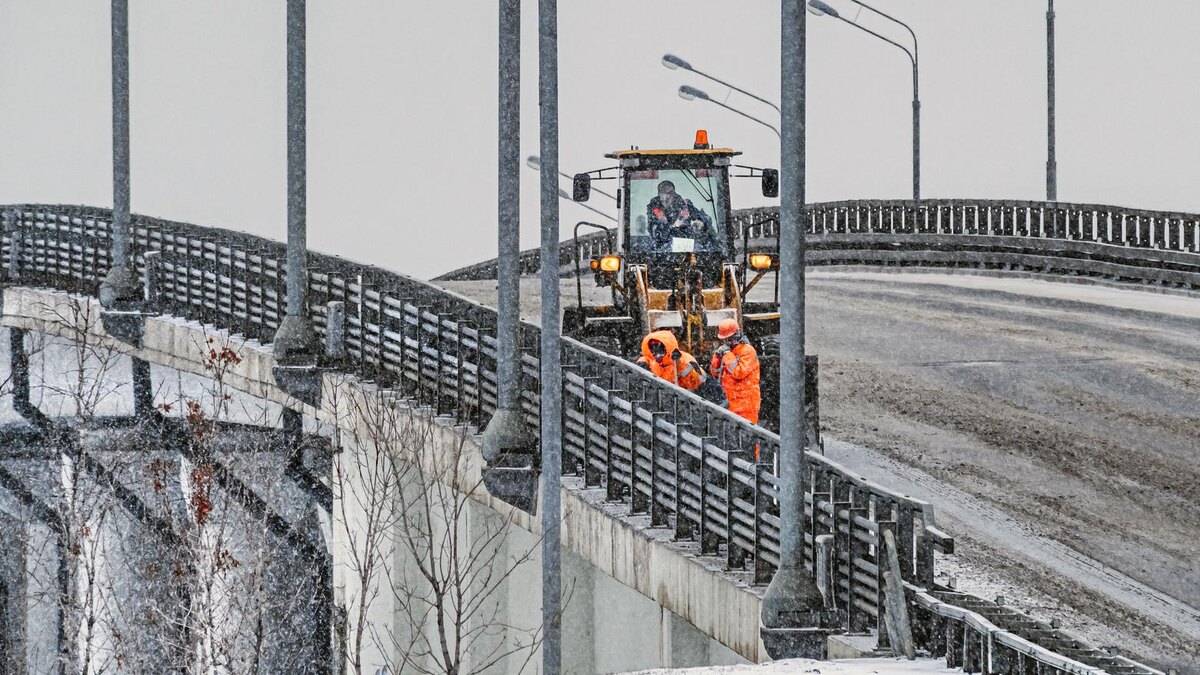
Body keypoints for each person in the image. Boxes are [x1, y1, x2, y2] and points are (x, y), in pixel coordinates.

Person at [708, 318, 761, 425]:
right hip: (730, 402)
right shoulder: (728, 352)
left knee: (747, 437)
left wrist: (727, 355)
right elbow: (715, 373)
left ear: (737, 335)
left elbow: (739, 373)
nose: (727, 342)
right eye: (725, 340)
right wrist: (717, 357)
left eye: (729, 339)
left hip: (746, 405)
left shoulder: (747, 351)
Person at [644, 180, 714, 251]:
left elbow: (706, 219)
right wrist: (672, 225)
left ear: (673, 194)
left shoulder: (684, 204)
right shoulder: (653, 208)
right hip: (662, 253)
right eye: (663, 193)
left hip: (685, 250)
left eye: (669, 194)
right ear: (659, 194)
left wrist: (701, 222)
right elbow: (655, 234)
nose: (666, 198)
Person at [636, 329, 703, 391]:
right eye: (652, 347)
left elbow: (696, 384)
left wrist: (679, 364)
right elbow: (647, 358)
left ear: (667, 347)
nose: (655, 352)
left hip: (689, 395)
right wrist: (642, 362)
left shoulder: (685, 360)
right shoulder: (653, 361)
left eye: (659, 347)